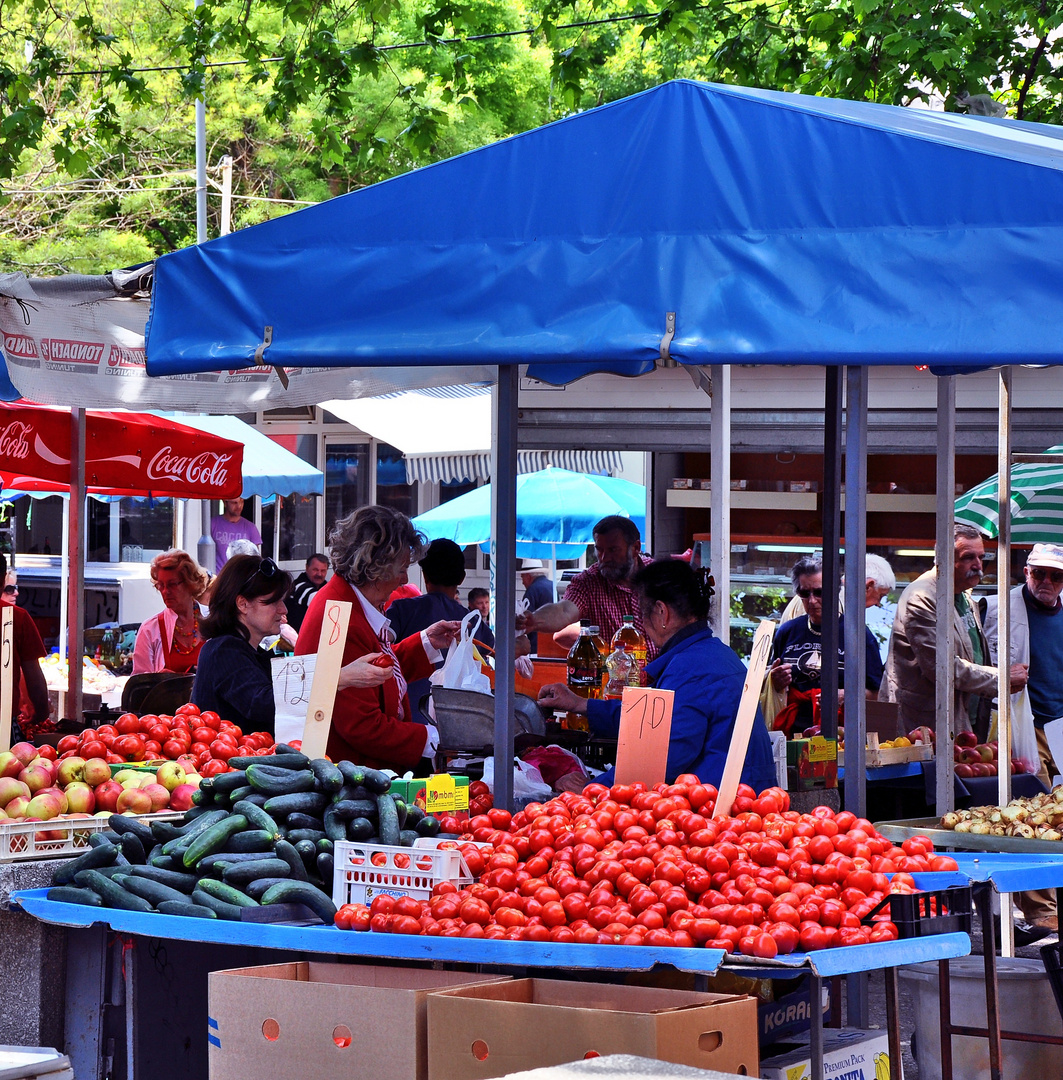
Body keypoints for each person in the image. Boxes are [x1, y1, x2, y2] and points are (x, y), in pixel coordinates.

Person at [538, 559, 775, 792]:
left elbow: (664, 754)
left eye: (643, 612)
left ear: (662, 613)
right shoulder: (717, 654)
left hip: (724, 805)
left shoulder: (689, 667)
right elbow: (653, 721)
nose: (642, 623)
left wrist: (594, 788)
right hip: (742, 794)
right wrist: (580, 704)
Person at [295, 506, 460, 771]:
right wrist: (431, 739)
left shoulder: (349, 601)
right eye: (402, 569)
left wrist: (425, 642)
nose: (405, 579)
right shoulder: (341, 618)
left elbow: (377, 675)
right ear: (375, 567)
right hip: (350, 774)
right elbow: (361, 726)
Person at [193, 553, 393, 736]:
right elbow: (263, 703)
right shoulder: (223, 650)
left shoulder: (253, 651)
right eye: (272, 602)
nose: (283, 610)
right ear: (242, 604)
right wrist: (340, 678)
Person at [879, 524, 1027, 735]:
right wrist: (1001, 677)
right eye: (968, 557)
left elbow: (971, 652)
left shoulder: (963, 593)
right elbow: (942, 667)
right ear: (944, 560)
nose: (978, 566)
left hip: (965, 717)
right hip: (926, 726)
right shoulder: (921, 598)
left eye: (981, 557)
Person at [983, 543, 1063, 933]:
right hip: (1023, 724)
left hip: (1061, 725)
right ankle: (1041, 912)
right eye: (1039, 573)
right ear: (1025, 571)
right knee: (1034, 816)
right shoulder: (998, 608)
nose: (1046, 582)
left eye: (1056, 575)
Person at [765, 555, 884, 734]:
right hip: (793, 731)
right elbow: (769, 680)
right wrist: (774, 680)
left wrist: (847, 695)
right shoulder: (787, 631)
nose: (812, 601)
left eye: (819, 592)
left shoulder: (859, 635)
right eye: (805, 593)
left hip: (843, 734)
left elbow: (877, 694)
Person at [520, 515, 655, 657]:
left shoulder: (660, 575)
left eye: (613, 550)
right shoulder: (588, 583)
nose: (604, 558)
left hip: (669, 675)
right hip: (615, 676)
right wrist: (534, 620)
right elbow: (563, 610)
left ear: (636, 548)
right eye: (599, 550)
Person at [389, 539, 475, 724]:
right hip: (455, 725)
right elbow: (498, 649)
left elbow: (379, 644)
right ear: (462, 578)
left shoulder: (400, 610)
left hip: (405, 722)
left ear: (424, 574)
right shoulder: (471, 622)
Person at [132, 550, 209, 674]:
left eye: (172, 584)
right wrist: (157, 681)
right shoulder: (149, 630)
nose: (165, 591)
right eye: (161, 585)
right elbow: (139, 685)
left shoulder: (215, 619)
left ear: (190, 583)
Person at [0, 554, 49, 741]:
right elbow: (33, 674)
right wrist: (41, 711)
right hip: (2, 721)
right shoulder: (16, 617)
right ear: (2, 578)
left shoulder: (16, 617)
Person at [210, 497, 262, 573]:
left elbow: (256, 559)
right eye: (234, 503)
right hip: (218, 578)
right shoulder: (213, 524)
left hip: (240, 579)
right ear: (225, 503)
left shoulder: (250, 527)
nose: (239, 506)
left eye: (242, 502)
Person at [286, 553, 329, 631]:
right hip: (296, 637)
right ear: (307, 568)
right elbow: (320, 602)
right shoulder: (298, 585)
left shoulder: (325, 586)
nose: (319, 574)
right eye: (315, 570)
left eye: (323, 571)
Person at [520, 559, 554, 653]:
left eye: (522, 577)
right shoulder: (553, 585)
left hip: (536, 645)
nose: (522, 582)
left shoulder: (532, 590)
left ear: (528, 576)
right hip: (553, 643)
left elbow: (525, 620)